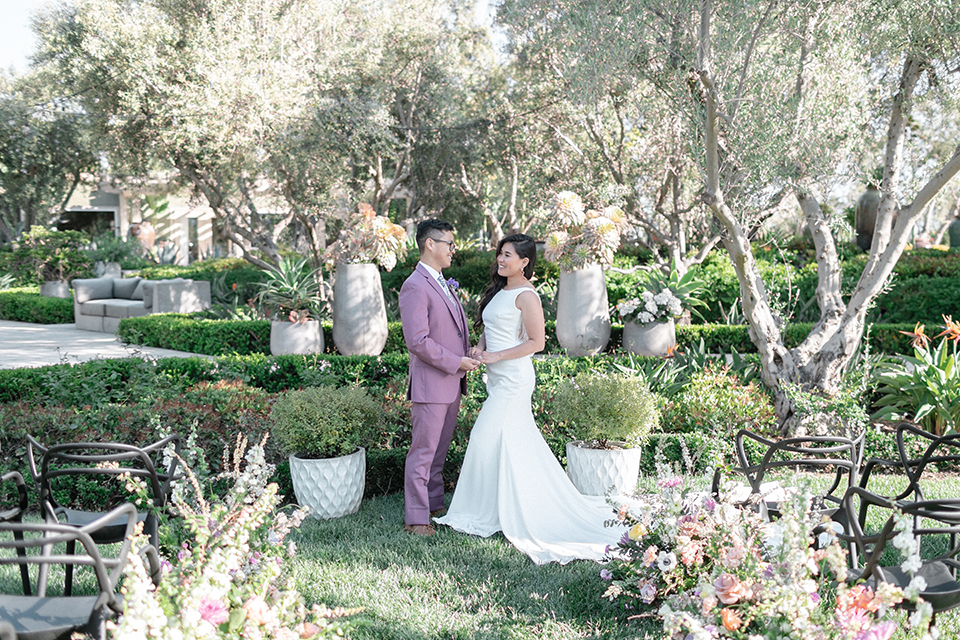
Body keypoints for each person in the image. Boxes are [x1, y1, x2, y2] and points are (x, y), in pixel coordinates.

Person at [435, 233, 625, 564]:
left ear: (524, 262)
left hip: (514, 381)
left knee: (482, 439)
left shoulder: (527, 295)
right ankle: (499, 508)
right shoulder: (500, 292)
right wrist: (480, 348)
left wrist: (496, 357)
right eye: (500, 253)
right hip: (498, 379)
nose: (501, 259)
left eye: (507, 255)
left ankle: (480, 513)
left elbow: (537, 342)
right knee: (509, 443)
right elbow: (491, 328)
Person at [398, 219, 480, 536]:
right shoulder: (415, 285)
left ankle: (433, 503)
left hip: (451, 382)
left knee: (439, 451)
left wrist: (467, 352)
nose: (453, 250)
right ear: (430, 244)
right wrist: (454, 360)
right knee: (423, 452)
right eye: (449, 243)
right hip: (432, 384)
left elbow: (448, 331)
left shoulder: (441, 281)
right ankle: (416, 519)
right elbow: (417, 340)